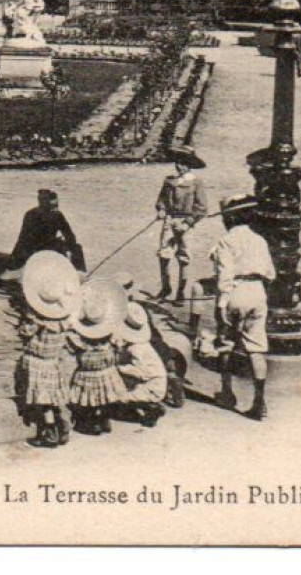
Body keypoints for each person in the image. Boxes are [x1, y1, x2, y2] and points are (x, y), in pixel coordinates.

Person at [211, 194, 276, 420]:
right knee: (256, 348)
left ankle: (227, 392)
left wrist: (221, 302)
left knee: (226, 343)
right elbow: (270, 274)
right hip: (257, 292)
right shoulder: (260, 240)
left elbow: (224, 274)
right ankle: (259, 401)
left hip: (235, 292)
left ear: (229, 218)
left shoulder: (226, 241)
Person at [14, 253, 80, 448]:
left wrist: (25, 319)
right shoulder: (63, 320)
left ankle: (48, 432)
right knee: (52, 398)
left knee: (44, 402)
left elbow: (24, 333)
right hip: (53, 362)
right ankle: (61, 426)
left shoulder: (36, 321)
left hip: (38, 362)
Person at [67, 282, 128, 435]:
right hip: (107, 371)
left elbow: (71, 344)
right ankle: (104, 420)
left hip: (88, 372)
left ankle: (91, 422)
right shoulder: (110, 335)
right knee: (105, 396)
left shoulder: (81, 340)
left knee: (90, 399)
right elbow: (119, 344)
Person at [154, 145, 209, 301]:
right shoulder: (169, 181)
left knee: (184, 258)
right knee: (163, 255)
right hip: (169, 220)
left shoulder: (196, 183)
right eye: (178, 162)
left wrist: (187, 223)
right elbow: (161, 200)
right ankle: (165, 289)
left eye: (184, 163)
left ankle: (181, 292)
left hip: (186, 224)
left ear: (190, 165)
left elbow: (202, 208)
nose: (180, 166)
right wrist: (161, 210)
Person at [114, 303, 168, 428]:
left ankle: (150, 407)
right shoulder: (143, 345)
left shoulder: (136, 349)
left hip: (152, 386)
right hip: (155, 381)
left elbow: (141, 372)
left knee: (118, 398)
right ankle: (147, 404)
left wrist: (120, 368)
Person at [8, 189, 85, 271]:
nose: (55, 204)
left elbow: (68, 233)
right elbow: (27, 237)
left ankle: (78, 273)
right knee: (60, 248)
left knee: (76, 247)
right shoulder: (32, 214)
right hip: (33, 247)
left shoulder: (57, 215)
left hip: (48, 244)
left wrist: (71, 244)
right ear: (44, 202)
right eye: (52, 202)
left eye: (55, 201)